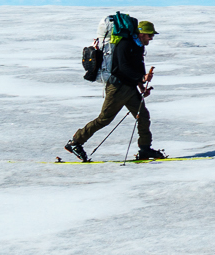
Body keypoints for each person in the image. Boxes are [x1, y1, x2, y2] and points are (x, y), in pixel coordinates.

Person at [66, 19, 165, 161]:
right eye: (150, 35)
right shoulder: (125, 44)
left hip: (129, 88)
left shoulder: (139, 46)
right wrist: (142, 78)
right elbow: (123, 67)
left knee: (143, 116)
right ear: (141, 33)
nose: (151, 38)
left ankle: (145, 149)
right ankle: (75, 142)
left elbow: (138, 67)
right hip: (117, 87)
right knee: (104, 119)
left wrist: (142, 86)